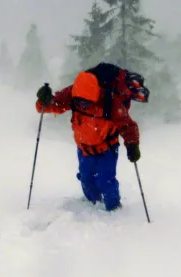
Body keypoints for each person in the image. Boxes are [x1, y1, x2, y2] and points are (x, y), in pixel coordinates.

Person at [35, 63, 148, 211]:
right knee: (86, 179)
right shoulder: (73, 93)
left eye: (87, 102)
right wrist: (44, 100)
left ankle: (113, 209)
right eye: (79, 102)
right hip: (84, 149)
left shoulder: (110, 100)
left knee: (105, 181)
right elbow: (50, 105)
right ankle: (93, 204)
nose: (82, 105)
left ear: (96, 95)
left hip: (107, 148)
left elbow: (127, 125)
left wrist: (132, 144)